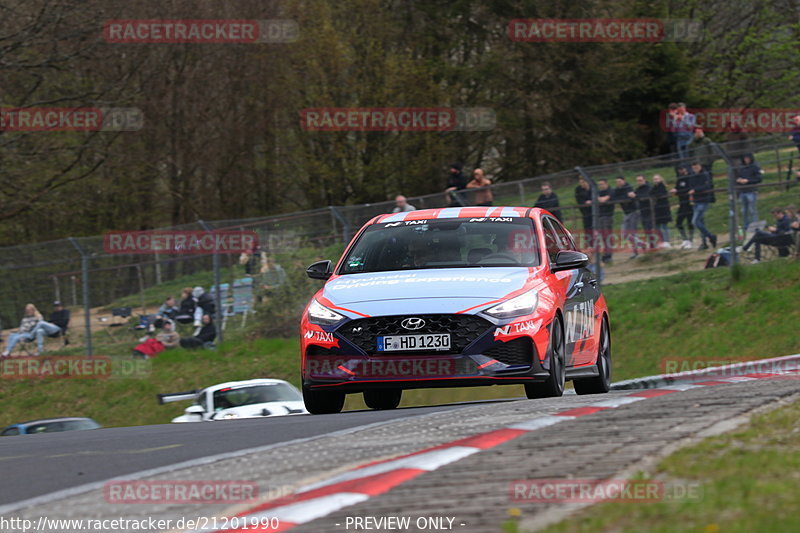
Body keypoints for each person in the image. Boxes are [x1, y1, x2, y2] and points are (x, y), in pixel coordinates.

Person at [688, 161, 717, 250]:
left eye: (696, 166)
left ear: (700, 166)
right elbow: (690, 186)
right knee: (700, 222)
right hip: (695, 201)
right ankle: (704, 243)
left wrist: (695, 190)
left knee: (695, 221)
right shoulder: (692, 176)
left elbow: (706, 186)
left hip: (703, 201)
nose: (695, 167)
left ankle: (711, 236)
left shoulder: (705, 174)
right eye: (693, 166)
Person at [612, 176, 642, 258]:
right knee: (624, 233)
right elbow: (614, 198)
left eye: (620, 181)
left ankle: (636, 252)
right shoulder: (617, 189)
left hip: (634, 211)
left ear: (624, 181)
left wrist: (623, 198)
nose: (618, 183)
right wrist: (623, 197)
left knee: (633, 232)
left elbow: (629, 196)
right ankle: (640, 244)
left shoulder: (628, 187)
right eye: (617, 182)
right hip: (626, 213)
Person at [735, 155, 763, 229]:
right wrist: (739, 180)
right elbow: (737, 176)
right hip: (742, 191)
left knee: (752, 210)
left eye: (747, 158)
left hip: (751, 190)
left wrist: (748, 181)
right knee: (744, 211)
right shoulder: (741, 167)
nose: (746, 160)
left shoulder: (754, 167)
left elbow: (759, 178)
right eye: (745, 158)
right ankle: (746, 226)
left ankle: (756, 226)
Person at [671, 165, 694, 248]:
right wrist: (675, 191)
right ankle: (685, 240)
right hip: (682, 203)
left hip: (689, 203)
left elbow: (689, 189)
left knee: (689, 222)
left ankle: (691, 241)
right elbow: (678, 189)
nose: (680, 171)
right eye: (679, 170)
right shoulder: (679, 179)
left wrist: (678, 191)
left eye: (682, 169)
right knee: (678, 222)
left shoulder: (690, 178)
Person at [651, 174, 673, 247]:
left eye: (657, 179)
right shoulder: (654, 187)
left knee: (664, 225)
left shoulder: (662, 187)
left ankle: (666, 241)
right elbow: (651, 193)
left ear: (660, 179)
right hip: (657, 209)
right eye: (654, 179)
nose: (656, 180)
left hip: (663, 209)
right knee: (657, 226)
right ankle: (661, 240)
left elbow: (658, 194)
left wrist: (655, 195)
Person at [596, 179, 615, 263]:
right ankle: (606, 253)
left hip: (608, 215)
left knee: (607, 235)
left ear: (606, 183)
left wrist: (600, 199)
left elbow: (602, 200)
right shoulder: (599, 192)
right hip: (600, 216)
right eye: (599, 184)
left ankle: (608, 254)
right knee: (603, 236)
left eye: (602, 184)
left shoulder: (611, 191)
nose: (601, 186)